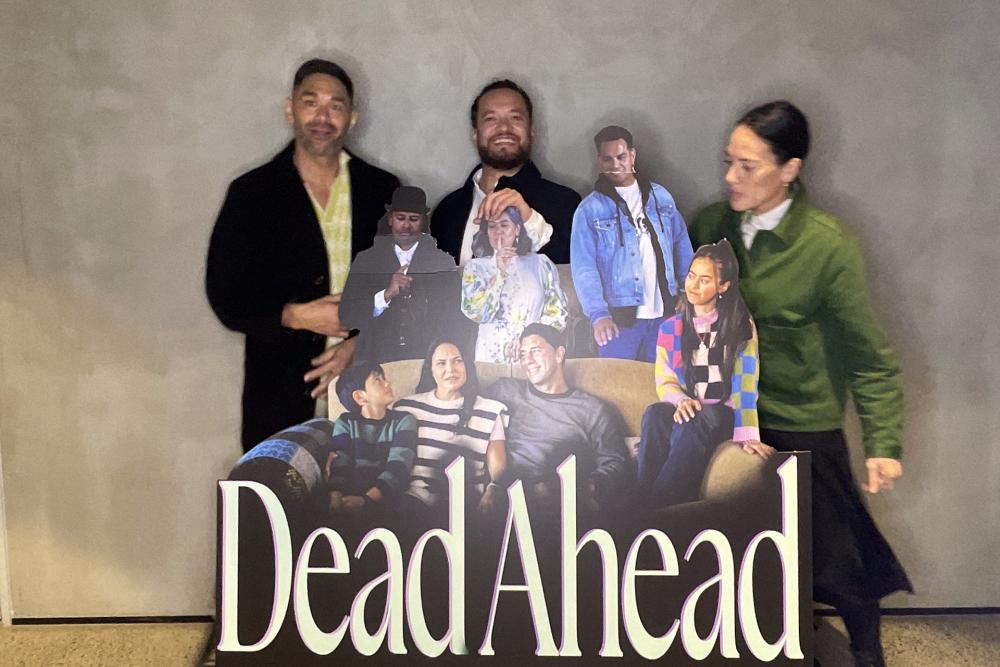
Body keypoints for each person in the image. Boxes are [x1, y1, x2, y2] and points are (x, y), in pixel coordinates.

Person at [690, 100, 911, 667]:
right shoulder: (710, 227)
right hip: (728, 418)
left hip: (800, 421)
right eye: (728, 162)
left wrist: (883, 444)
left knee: (836, 560)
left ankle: (866, 652)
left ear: (789, 169)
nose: (731, 177)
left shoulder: (826, 244)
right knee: (737, 556)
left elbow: (869, 356)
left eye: (748, 166)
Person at [206, 59, 399, 451]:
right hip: (278, 396)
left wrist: (362, 345)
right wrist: (294, 315)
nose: (322, 116)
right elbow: (225, 296)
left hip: (371, 399)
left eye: (335, 105)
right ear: (290, 109)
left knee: (371, 488)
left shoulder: (384, 191)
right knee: (282, 487)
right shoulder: (252, 193)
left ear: (352, 117)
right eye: (311, 102)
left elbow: (412, 289)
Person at [637, 241, 772, 508]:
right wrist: (681, 401)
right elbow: (665, 380)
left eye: (704, 280)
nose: (693, 285)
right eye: (691, 276)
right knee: (655, 413)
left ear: (723, 286)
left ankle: (656, 509)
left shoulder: (740, 326)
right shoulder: (670, 329)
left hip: (720, 414)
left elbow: (746, 383)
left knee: (698, 419)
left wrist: (748, 434)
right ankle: (641, 500)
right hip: (691, 410)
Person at [571, 125, 694, 361]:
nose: (615, 164)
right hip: (618, 319)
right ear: (599, 161)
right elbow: (584, 267)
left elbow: (681, 244)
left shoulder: (661, 197)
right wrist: (598, 314)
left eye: (621, 157)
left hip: (665, 314)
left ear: (632, 155)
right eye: (607, 159)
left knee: (661, 380)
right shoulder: (589, 210)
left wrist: (686, 292)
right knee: (616, 380)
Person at [430, 79, 581, 265]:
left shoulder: (567, 205)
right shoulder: (447, 211)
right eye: (490, 119)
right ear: (475, 134)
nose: (504, 128)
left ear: (531, 131)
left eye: (515, 118)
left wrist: (530, 220)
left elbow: (579, 274)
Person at [487, 324, 631, 510]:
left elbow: (615, 462)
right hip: (501, 494)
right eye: (522, 354)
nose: (527, 360)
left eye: (535, 351)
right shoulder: (505, 390)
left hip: (554, 500)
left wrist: (587, 486)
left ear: (559, 354)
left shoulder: (591, 409)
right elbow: (464, 404)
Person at [340, 186, 462, 363]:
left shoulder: (442, 262)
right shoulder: (367, 260)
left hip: (426, 361)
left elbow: (453, 318)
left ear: (423, 222)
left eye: (413, 219)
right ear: (390, 219)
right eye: (400, 218)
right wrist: (386, 295)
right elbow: (347, 315)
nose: (406, 225)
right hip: (376, 361)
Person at [393, 338, 508, 524]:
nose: (451, 369)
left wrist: (493, 489)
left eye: (458, 361)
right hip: (416, 501)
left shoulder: (489, 410)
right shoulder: (407, 408)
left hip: (466, 502)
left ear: (467, 366)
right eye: (441, 363)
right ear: (431, 369)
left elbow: (498, 467)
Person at [461, 207, 568, 363]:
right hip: (491, 356)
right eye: (492, 226)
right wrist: (500, 274)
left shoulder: (540, 263)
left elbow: (558, 311)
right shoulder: (475, 267)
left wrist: (531, 338)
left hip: (534, 354)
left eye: (504, 225)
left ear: (517, 229)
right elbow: (476, 313)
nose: (498, 231)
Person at [326, 362, 417, 521]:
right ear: (360, 397)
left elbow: (399, 466)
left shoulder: (404, 420)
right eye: (378, 380)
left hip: (387, 496)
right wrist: (335, 495)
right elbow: (340, 463)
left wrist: (367, 500)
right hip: (350, 494)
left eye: (384, 378)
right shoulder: (346, 422)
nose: (387, 383)